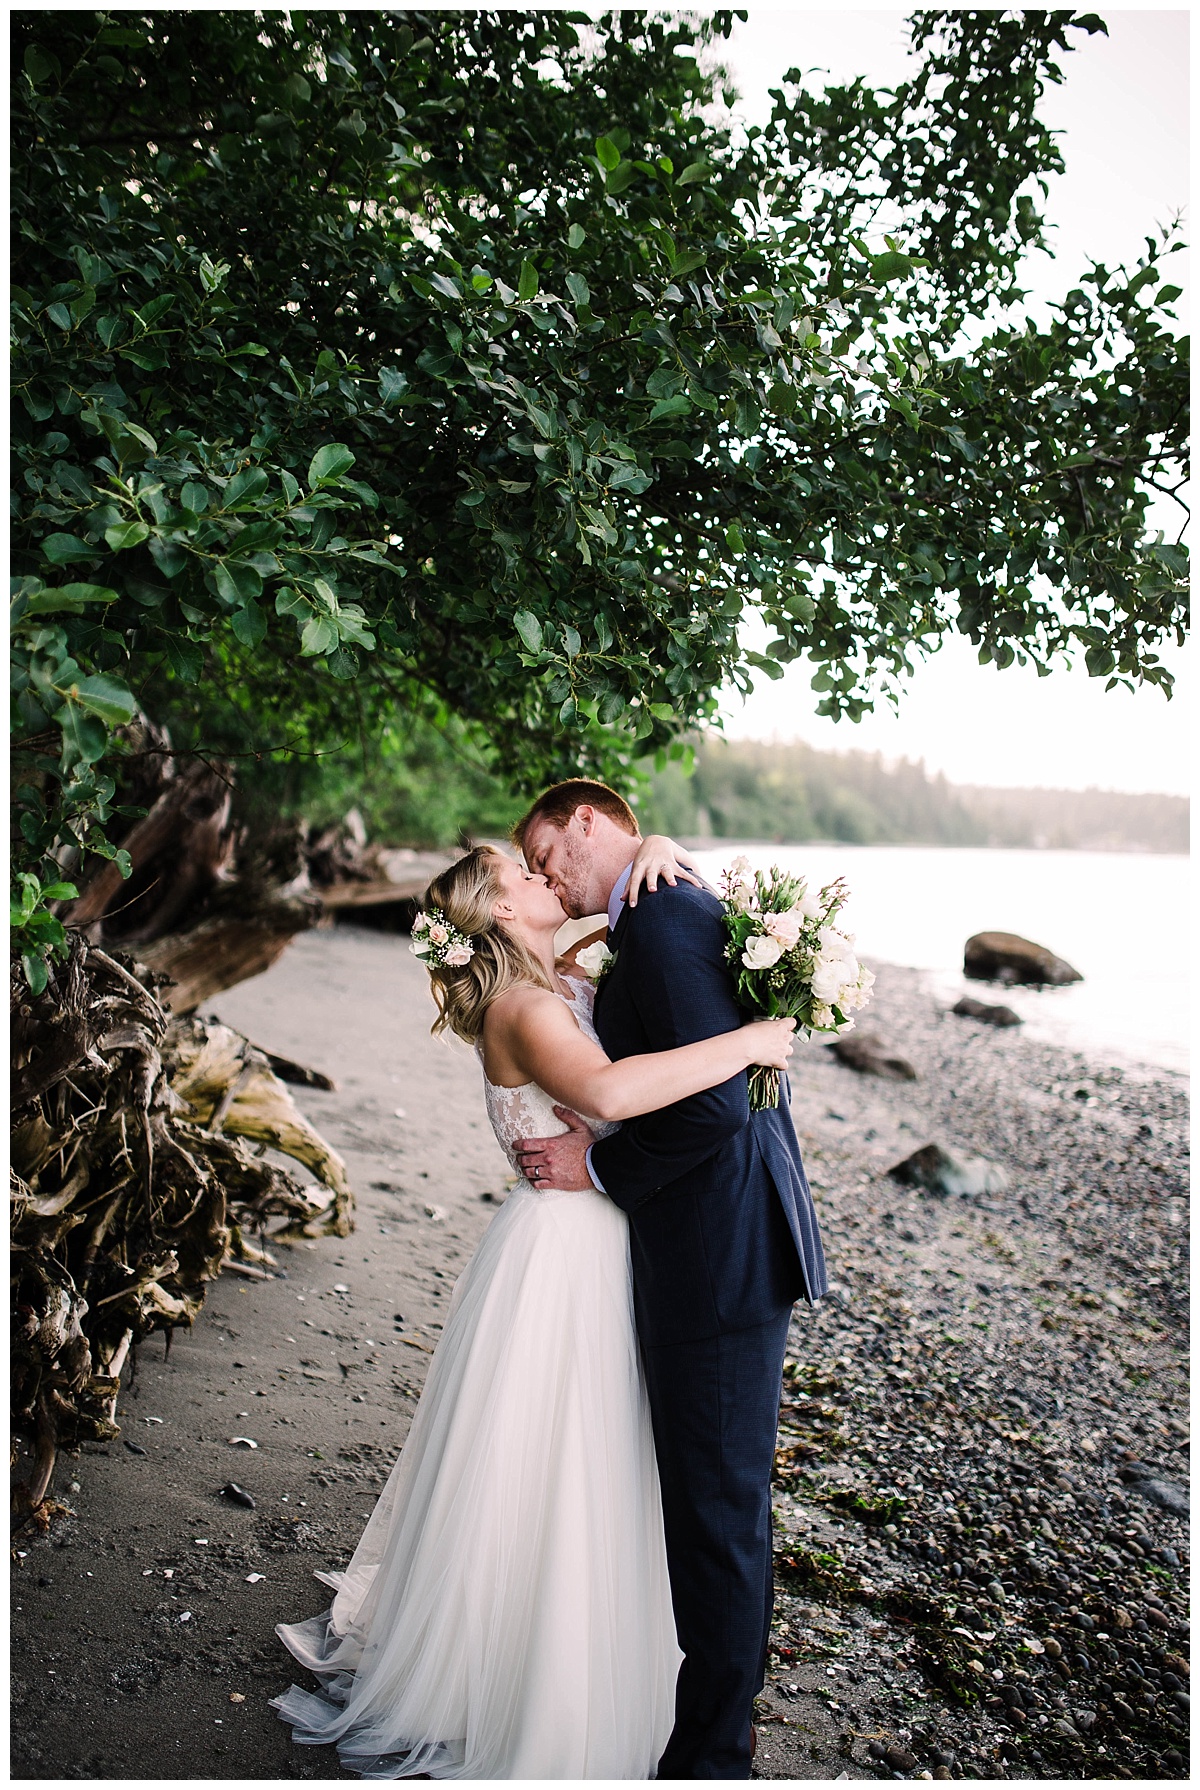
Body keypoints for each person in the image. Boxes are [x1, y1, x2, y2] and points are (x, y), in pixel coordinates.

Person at [271, 835, 798, 1780]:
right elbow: (604, 1089)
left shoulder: (559, 971)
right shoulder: (522, 1003)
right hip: (566, 1248)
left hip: (585, 1234)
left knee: (577, 1457)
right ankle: (536, 1679)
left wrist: (659, 845)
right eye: (523, 873)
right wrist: (752, 1044)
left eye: (544, 861)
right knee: (561, 1460)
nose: (542, 876)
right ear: (505, 912)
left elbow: (634, 897)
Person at [515, 780, 828, 1781]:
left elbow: (718, 1107)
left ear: (589, 821)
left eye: (549, 853)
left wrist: (596, 1166)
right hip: (720, 1240)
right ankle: (711, 1732)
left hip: (719, 1252)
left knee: (718, 1510)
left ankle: (711, 1757)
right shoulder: (656, 906)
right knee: (717, 1500)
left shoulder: (655, 919)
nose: (547, 878)